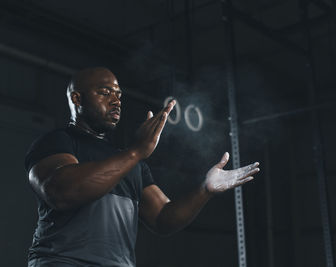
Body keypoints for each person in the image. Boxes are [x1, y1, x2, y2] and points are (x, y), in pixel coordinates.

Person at [25, 67, 260, 267]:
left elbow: (162, 218)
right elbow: (64, 192)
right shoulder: (58, 142)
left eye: (118, 95)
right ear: (77, 99)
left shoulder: (130, 161)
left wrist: (204, 190)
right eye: (105, 93)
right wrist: (136, 151)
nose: (116, 100)